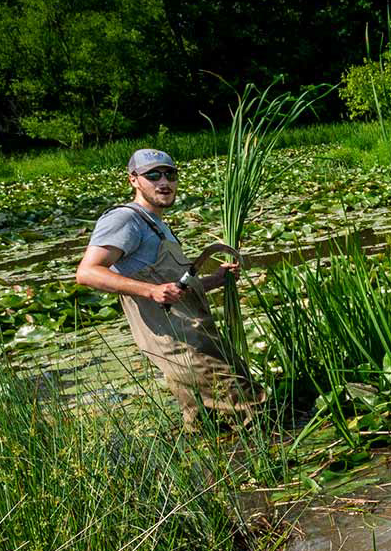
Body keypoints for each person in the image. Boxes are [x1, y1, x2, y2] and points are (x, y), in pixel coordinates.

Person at [74, 149, 261, 430]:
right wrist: (149, 291)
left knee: (209, 429)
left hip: (196, 337)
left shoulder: (157, 224)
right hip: (179, 346)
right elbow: (87, 272)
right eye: (153, 175)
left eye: (170, 174)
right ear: (134, 180)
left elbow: (175, 288)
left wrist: (215, 279)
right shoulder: (125, 220)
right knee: (253, 409)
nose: (164, 182)